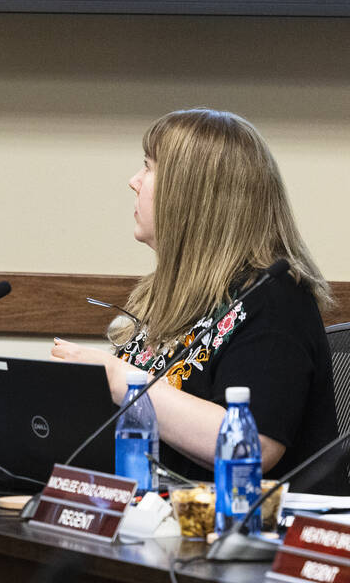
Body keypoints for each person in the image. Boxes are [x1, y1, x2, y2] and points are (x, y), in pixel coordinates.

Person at [51, 109, 345, 493]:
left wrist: (116, 378)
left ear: (192, 195)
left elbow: (253, 445)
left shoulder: (274, 299)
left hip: (252, 536)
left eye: (149, 168)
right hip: (157, 524)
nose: (133, 182)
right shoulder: (169, 294)